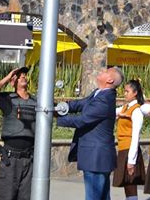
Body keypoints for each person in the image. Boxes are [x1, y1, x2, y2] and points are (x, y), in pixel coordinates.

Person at [56, 66, 123, 200]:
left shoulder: (105, 100)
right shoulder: (99, 93)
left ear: (110, 80)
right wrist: (60, 107)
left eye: (105, 72)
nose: (101, 71)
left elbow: (83, 120)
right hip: (95, 156)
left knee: (94, 197)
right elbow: (80, 104)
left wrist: (57, 118)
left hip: (96, 157)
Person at [0, 66, 37, 200]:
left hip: (29, 159)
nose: (23, 76)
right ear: (13, 81)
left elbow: (56, 111)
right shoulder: (8, 99)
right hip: (11, 159)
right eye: (19, 76)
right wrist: (7, 78)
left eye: (24, 75)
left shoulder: (36, 102)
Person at [113, 78, 146, 198]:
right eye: (125, 91)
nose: (125, 94)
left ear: (135, 93)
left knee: (131, 184)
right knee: (127, 185)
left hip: (129, 150)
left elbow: (135, 136)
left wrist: (131, 160)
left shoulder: (136, 110)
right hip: (123, 149)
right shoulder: (125, 108)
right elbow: (112, 112)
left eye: (127, 91)